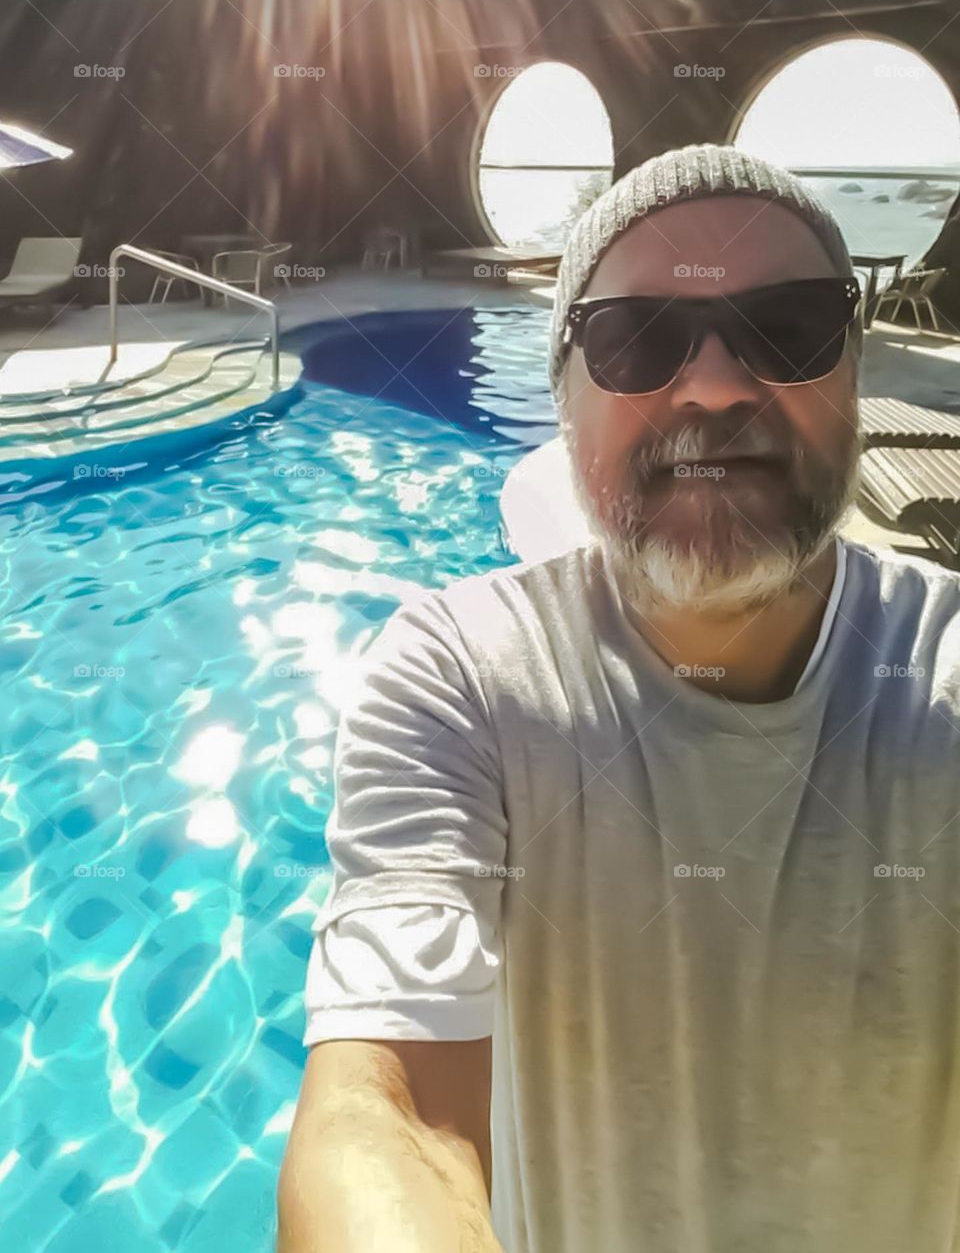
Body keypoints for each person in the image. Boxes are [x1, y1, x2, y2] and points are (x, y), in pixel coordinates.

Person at [277, 143, 960, 1253]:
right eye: (636, 339)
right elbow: (385, 1111)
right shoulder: (459, 677)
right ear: (563, 401)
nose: (716, 383)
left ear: (853, 368)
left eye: (787, 326)